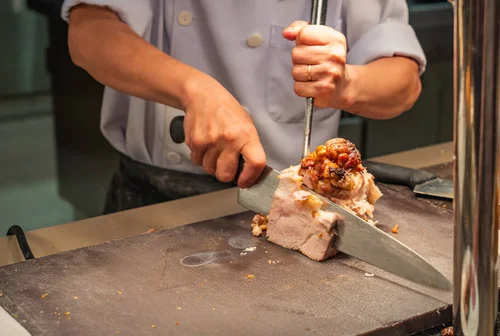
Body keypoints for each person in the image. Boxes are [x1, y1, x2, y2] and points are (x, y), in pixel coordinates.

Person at [62, 0, 426, 213]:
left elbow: (403, 83)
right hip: (149, 199)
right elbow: (89, 32)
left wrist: (345, 84)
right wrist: (195, 91)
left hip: (296, 201)